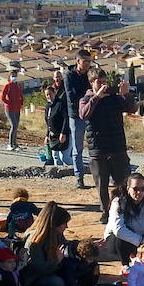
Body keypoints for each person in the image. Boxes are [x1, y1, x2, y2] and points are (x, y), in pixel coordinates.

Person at [80, 67, 136, 221]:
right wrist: (96, 97)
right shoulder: (85, 99)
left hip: (117, 146)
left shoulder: (113, 98)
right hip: (98, 149)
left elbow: (132, 108)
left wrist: (126, 95)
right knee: (101, 184)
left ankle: (124, 209)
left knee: (123, 181)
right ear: (92, 83)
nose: (104, 85)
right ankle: (105, 211)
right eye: (100, 82)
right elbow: (84, 114)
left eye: (105, 82)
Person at [102, 172, 144, 265]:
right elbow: (119, 230)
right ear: (128, 188)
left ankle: (140, 258)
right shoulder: (118, 202)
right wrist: (142, 241)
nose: (139, 192)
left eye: (142, 189)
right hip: (118, 239)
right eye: (135, 189)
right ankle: (125, 265)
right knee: (120, 241)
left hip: (141, 236)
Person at [20, 201, 72, 286]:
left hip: (51, 270)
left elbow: (66, 245)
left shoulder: (56, 233)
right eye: (64, 223)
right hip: (35, 278)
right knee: (59, 283)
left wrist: (85, 245)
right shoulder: (35, 241)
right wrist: (57, 261)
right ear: (55, 224)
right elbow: (39, 268)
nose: (66, 226)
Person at [63, 48, 93, 188]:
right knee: (78, 148)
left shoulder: (90, 74)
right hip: (76, 115)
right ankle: (79, 177)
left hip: (91, 113)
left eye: (89, 61)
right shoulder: (69, 76)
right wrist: (88, 96)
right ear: (78, 61)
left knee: (96, 146)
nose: (87, 64)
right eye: (85, 61)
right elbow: (72, 96)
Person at [42, 70, 70, 166]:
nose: (49, 96)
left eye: (50, 94)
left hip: (63, 134)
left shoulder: (61, 104)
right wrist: (47, 135)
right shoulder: (48, 106)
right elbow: (48, 122)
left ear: (54, 93)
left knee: (65, 158)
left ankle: (80, 170)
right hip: (53, 136)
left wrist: (63, 133)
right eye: (47, 95)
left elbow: (66, 119)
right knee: (56, 157)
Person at [1, 67, 24, 151]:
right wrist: (8, 103)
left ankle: (15, 144)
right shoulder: (7, 86)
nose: (14, 77)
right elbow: (2, 97)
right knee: (13, 126)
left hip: (17, 109)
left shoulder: (18, 85)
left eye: (15, 76)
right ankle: (10, 144)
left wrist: (21, 102)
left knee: (16, 126)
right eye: (12, 76)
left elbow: (21, 95)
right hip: (9, 109)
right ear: (10, 77)